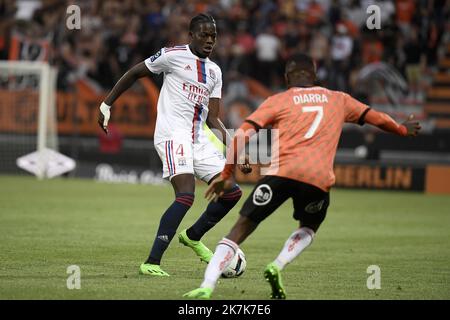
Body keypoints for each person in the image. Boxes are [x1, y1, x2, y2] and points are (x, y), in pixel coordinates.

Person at [183, 53, 421, 299]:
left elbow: (243, 134)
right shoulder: (339, 99)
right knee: (308, 227)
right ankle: (277, 264)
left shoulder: (278, 100)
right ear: (315, 75)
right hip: (317, 178)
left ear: (287, 78)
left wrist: (227, 173)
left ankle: (207, 286)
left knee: (240, 229)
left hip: (280, 174)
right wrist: (402, 129)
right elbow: (377, 118)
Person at [98, 14, 251, 277]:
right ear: (191, 35)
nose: (209, 40)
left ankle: (192, 236)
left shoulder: (214, 71)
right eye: (204, 34)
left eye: (213, 36)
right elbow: (135, 72)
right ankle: (152, 262)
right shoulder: (172, 55)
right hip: (172, 135)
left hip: (199, 138)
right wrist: (106, 104)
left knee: (231, 192)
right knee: (186, 195)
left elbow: (213, 117)